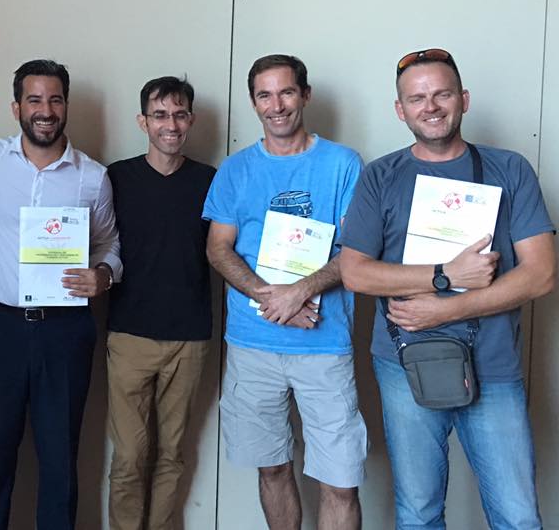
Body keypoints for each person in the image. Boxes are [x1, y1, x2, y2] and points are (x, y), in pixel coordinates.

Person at [339, 48, 556, 529]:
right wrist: (445, 276)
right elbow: (355, 272)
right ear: (400, 110)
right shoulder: (380, 176)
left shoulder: (510, 168)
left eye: (442, 94)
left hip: (493, 365)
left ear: (464, 99)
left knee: (518, 517)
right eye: (417, 98)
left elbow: (542, 273)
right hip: (404, 365)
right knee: (418, 513)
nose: (431, 106)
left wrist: (446, 309)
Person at [0, 59, 122, 530]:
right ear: (16, 107)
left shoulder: (92, 176)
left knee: (60, 461)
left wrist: (104, 275)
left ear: (66, 106)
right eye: (35, 99)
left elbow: (109, 242)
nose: (46, 110)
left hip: (65, 331)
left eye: (55, 99)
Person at [203, 55, 367, 530]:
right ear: (254, 102)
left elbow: (357, 250)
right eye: (265, 95)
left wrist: (300, 292)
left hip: (325, 345)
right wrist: (271, 298)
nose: (276, 106)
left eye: (287, 92)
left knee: (340, 482)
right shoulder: (235, 169)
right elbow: (218, 248)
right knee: (272, 468)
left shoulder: (342, 164)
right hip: (253, 344)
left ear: (305, 95)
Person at [104, 76, 215, 530]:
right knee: (130, 455)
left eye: (179, 114)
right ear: (142, 121)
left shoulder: (210, 180)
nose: (171, 124)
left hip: (190, 337)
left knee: (172, 454)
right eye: (160, 115)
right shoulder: (116, 178)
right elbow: (97, 243)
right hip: (129, 334)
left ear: (191, 119)